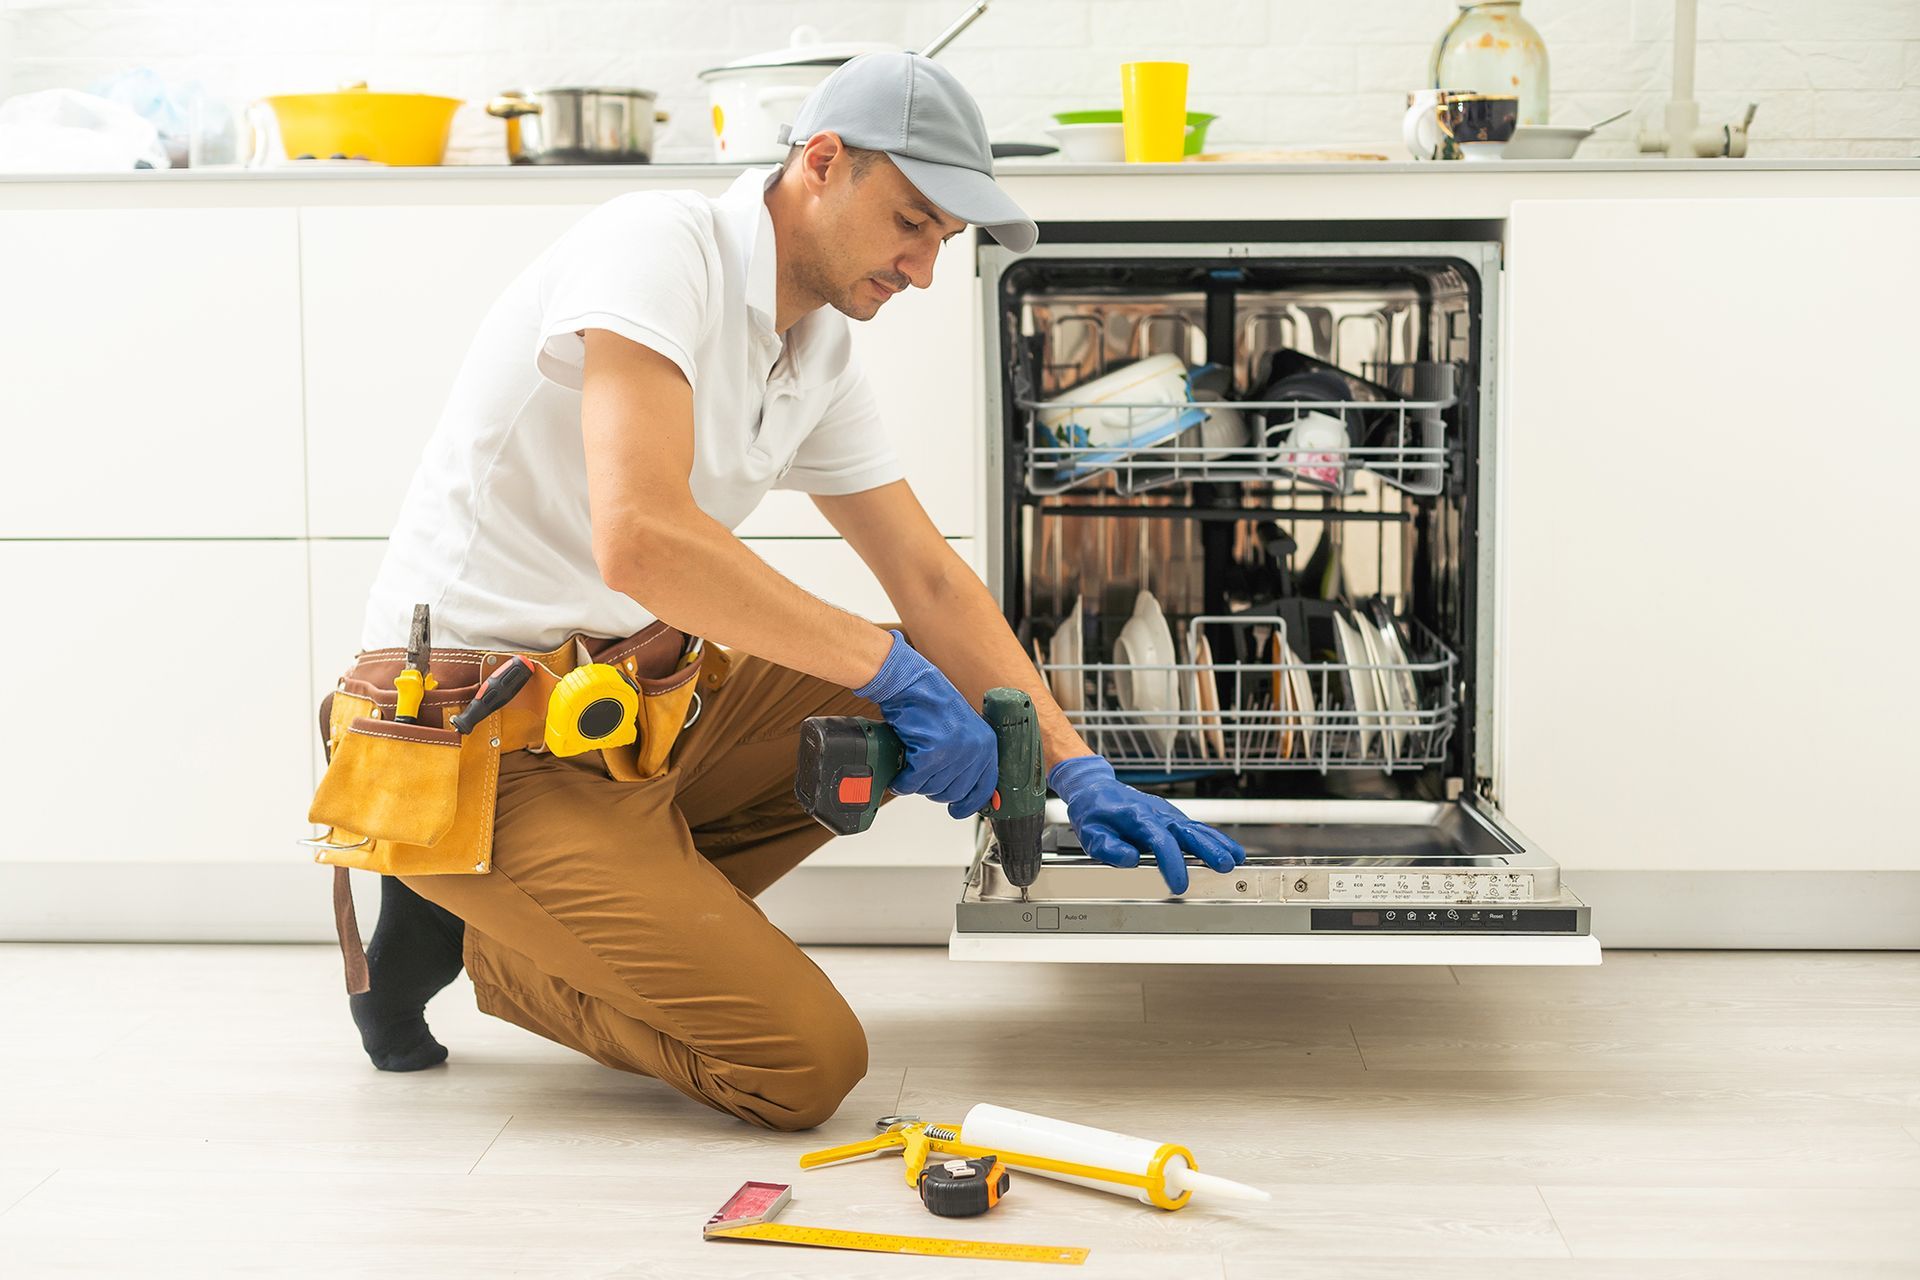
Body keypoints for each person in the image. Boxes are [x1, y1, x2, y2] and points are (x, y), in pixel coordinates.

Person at [329, 52, 1244, 1131]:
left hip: (634, 713)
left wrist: (1064, 756)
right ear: (822, 163)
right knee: (802, 1066)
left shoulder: (814, 349)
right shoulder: (658, 248)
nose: (923, 271)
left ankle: (578, 908)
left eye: (943, 241)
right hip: (477, 738)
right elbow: (643, 541)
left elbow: (930, 577)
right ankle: (486, 935)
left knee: (926, 674)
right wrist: (893, 669)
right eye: (911, 222)